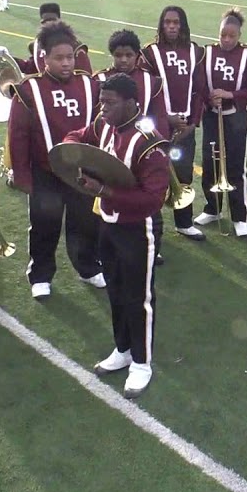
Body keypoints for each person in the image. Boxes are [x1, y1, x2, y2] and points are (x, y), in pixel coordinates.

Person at [63, 74, 171, 398]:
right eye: (101, 100)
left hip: (139, 230)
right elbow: (77, 136)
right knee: (115, 290)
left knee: (139, 299)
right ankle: (123, 348)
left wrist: (105, 190)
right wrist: (69, 151)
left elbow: (154, 198)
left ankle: (142, 362)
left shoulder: (149, 141)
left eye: (109, 102)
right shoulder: (104, 123)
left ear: (130, 103)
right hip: (108, 223)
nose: (102, 107)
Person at [8, 21, 104, 299]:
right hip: (45, 172)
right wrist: (23, 176)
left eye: (70, 57)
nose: (65, 63)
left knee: (84, 222)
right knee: (43, 224)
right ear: (44, 59)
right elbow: (18, 135)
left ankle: (87, 266)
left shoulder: (89, 84)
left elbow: (100, 127)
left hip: (80, 170)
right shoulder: (29, 89)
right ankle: (40, 274)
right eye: (58, 58)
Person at [196, 8, 247, 237]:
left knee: (235, 166)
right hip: (211, 116)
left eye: (231, 36)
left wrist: (230, 95)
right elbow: (198, 84)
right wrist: (209, 96)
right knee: (210, 162)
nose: (226, 40)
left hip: (236, 118)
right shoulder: (206, 53)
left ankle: (240, 216)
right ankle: (212, 208)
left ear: (239, 35)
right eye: (222, 34)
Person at [141, 6, 206, 241]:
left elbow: (200, 90)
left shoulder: (195, 52)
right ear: (161, 24)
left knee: (184, 174)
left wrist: (193, 122)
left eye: (176, 22)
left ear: (183, 25)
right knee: (154, 177)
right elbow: (144, 92)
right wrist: (166, 119)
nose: (171, 26)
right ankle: (153, 229)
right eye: (167, 22)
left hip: (185, 128)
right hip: (158, 127)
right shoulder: (149, 53)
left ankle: (184, 222)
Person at [17, 3, 94, 74]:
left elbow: (86, 74)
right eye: (46, 22)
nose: (49, 24)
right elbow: (33, 67)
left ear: (59, 21)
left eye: (53, 21)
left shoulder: (73, 43)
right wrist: (11, 60)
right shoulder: (40, 42)